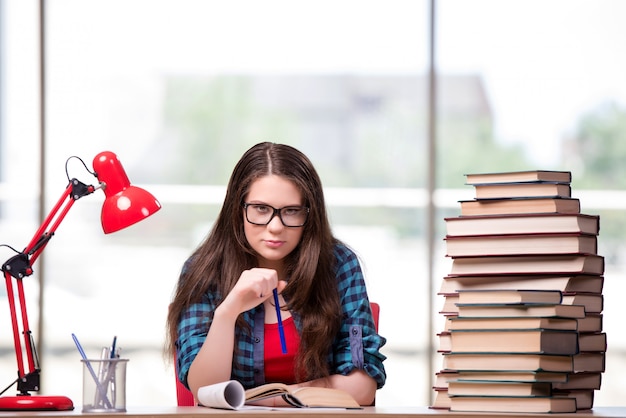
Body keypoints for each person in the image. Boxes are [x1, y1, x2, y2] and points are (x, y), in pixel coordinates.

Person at [165, 142, 386, 406]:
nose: (276, 226)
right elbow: (205, 389)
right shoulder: (204, 270)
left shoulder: (338, 265)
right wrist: (227, 311)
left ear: (310, 214)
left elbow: (362, 386)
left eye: (291, 211)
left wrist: (261, 400)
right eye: (260, 209)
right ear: (238, 209)